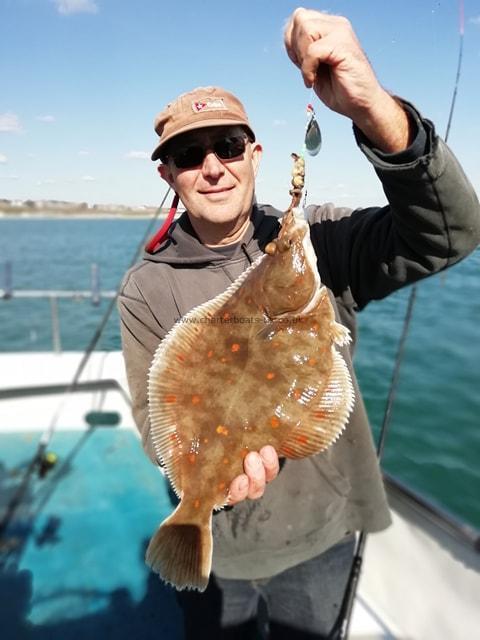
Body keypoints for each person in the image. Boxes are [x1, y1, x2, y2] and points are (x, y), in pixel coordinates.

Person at [118, 8, 480, 639]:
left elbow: (449, 234)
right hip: (221, 551)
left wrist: (371, 109)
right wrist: (210, 487)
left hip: (324, 532)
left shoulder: (322, 242)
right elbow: (157, 423)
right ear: (168, 174)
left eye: (229, 145)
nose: (213, 166)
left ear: (255, 154)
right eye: (188, 153)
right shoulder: (146, 287)